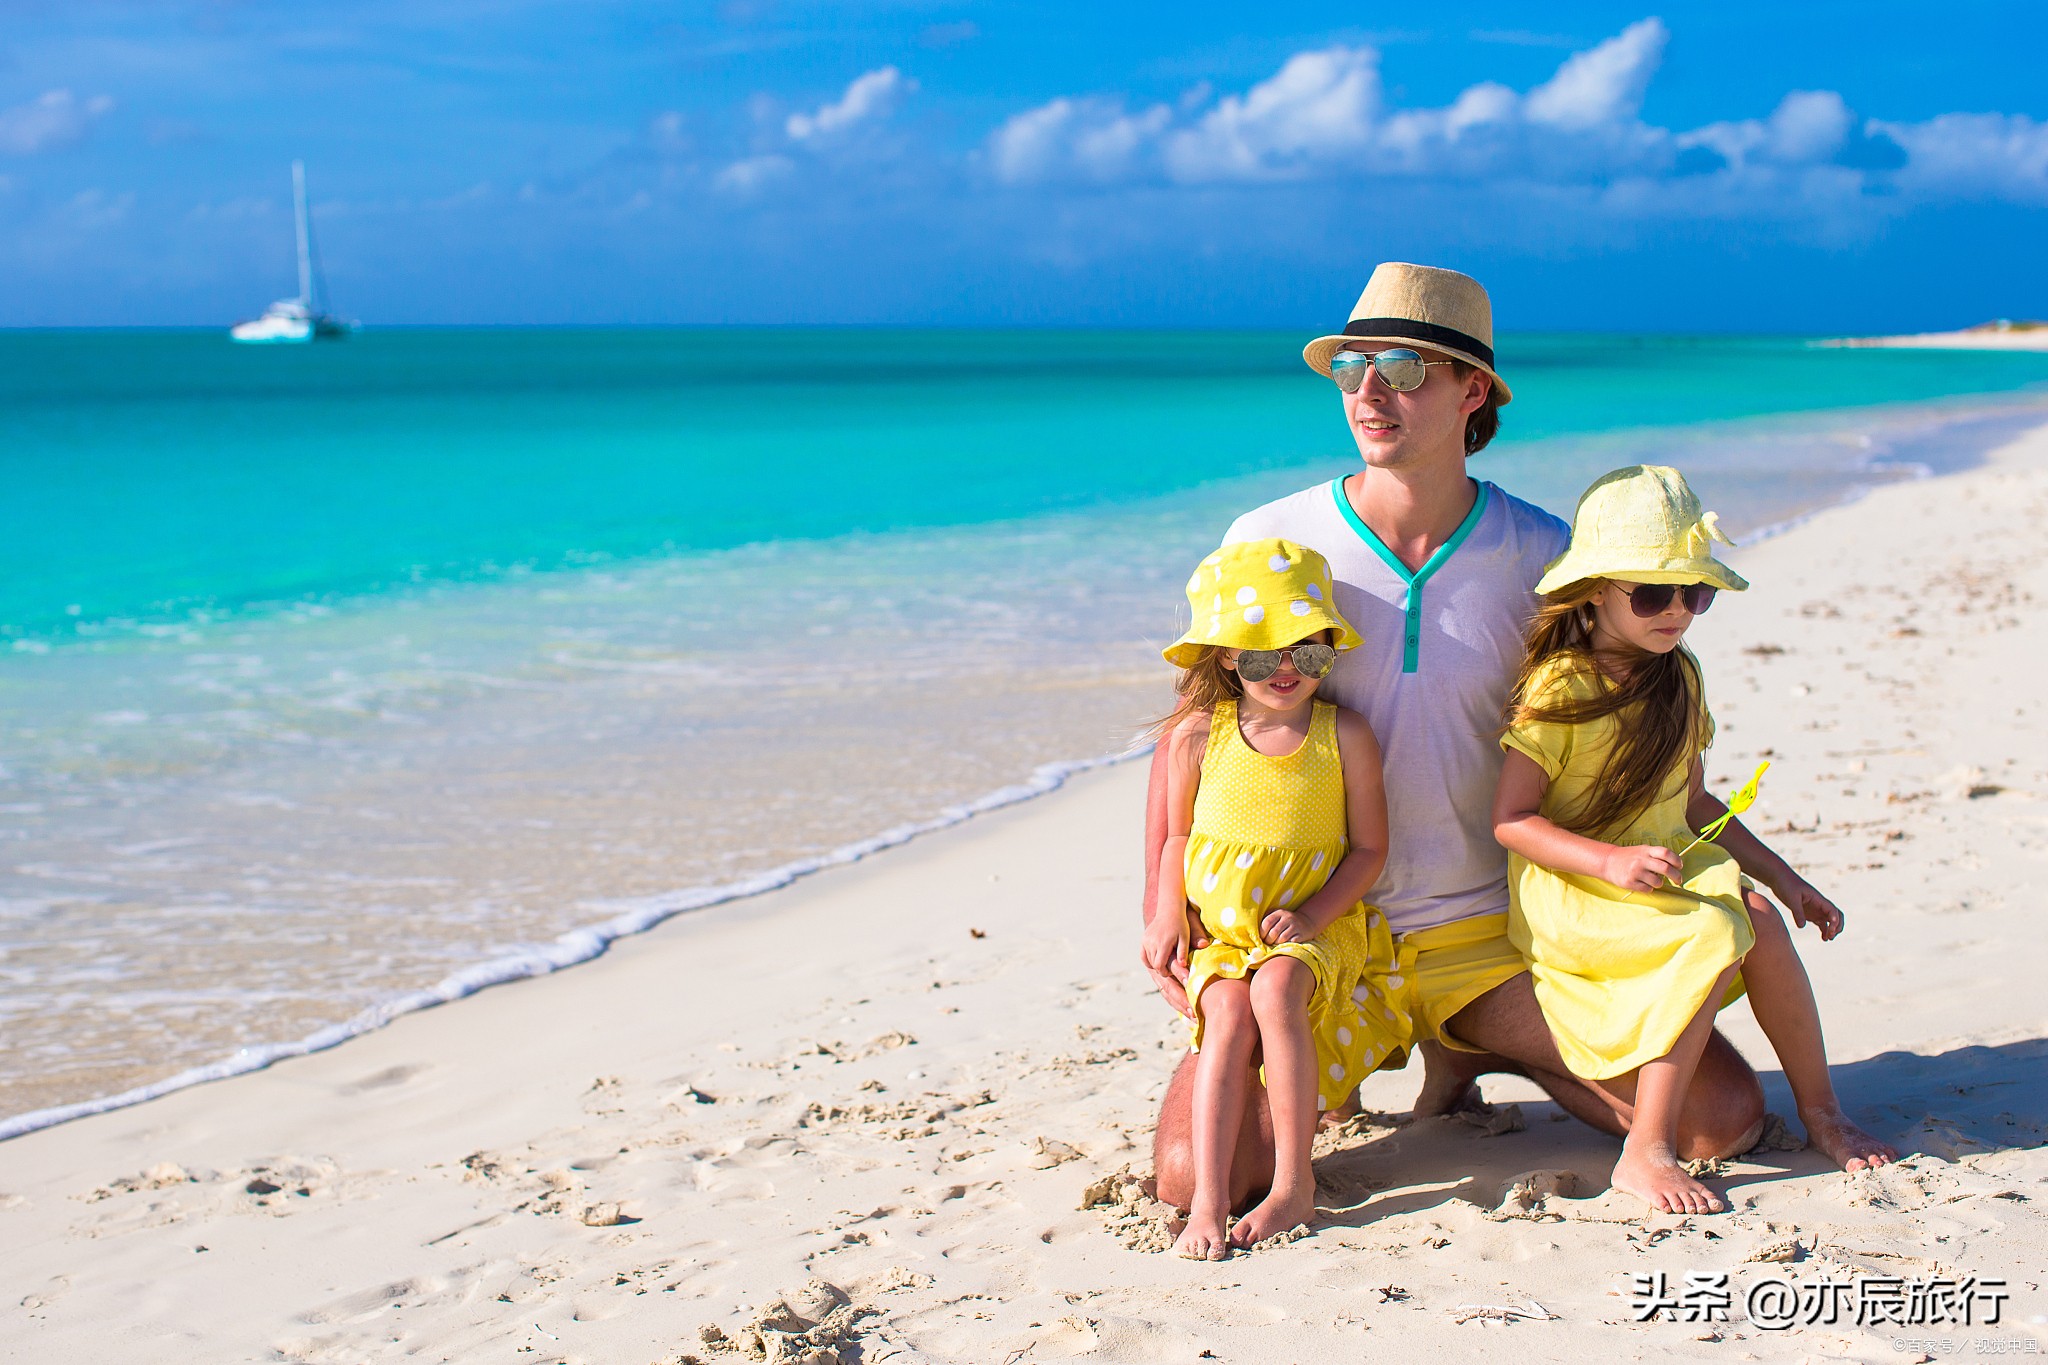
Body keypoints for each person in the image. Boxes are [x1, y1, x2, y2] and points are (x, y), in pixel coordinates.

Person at [1142, 263, 1769, 1215]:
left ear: (1474, 391)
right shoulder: (1271, 538)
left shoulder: (1546, 558)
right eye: (1352, 366)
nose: (1369, 392)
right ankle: (1380, 1054)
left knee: (1721, 1122)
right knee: (1200, 1179)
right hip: (1313, 933)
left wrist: (1706, 874)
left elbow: (1622, 747)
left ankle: (1470, 1040)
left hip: (1491, 934)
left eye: (1403, 368)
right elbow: (1194, 730)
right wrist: (1163, 901)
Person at [1493, 465, 1899, 1214]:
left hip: (1666, 863)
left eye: (1695, 593)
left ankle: (1822, 1112)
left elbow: (1697, 801)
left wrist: (1786, 878)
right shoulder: (1561, 687)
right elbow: (1512, 821)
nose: (1678, 610)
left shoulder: (1680, 676)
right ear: (1595, 589)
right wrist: (1610, 860)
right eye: (1653, 594)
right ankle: (1644, 1149)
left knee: (1762, 920)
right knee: (1713, 931)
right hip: (1579, 885)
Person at [1143, 538, 1408, 1257]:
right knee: (1228, 1012)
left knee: (1277, 987)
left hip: (1315, 926)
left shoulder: (1343, 734)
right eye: (1263, 655)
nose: (1286, 668)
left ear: (1330, 647)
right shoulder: (1198, 736)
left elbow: (1369, 849)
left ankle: (1295, 1183)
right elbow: (1176, 836)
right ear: (1228, 655)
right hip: (1225, 936)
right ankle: (1207, 1203)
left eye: (1308, 650)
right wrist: (1166, 910)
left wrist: (1315, 914)